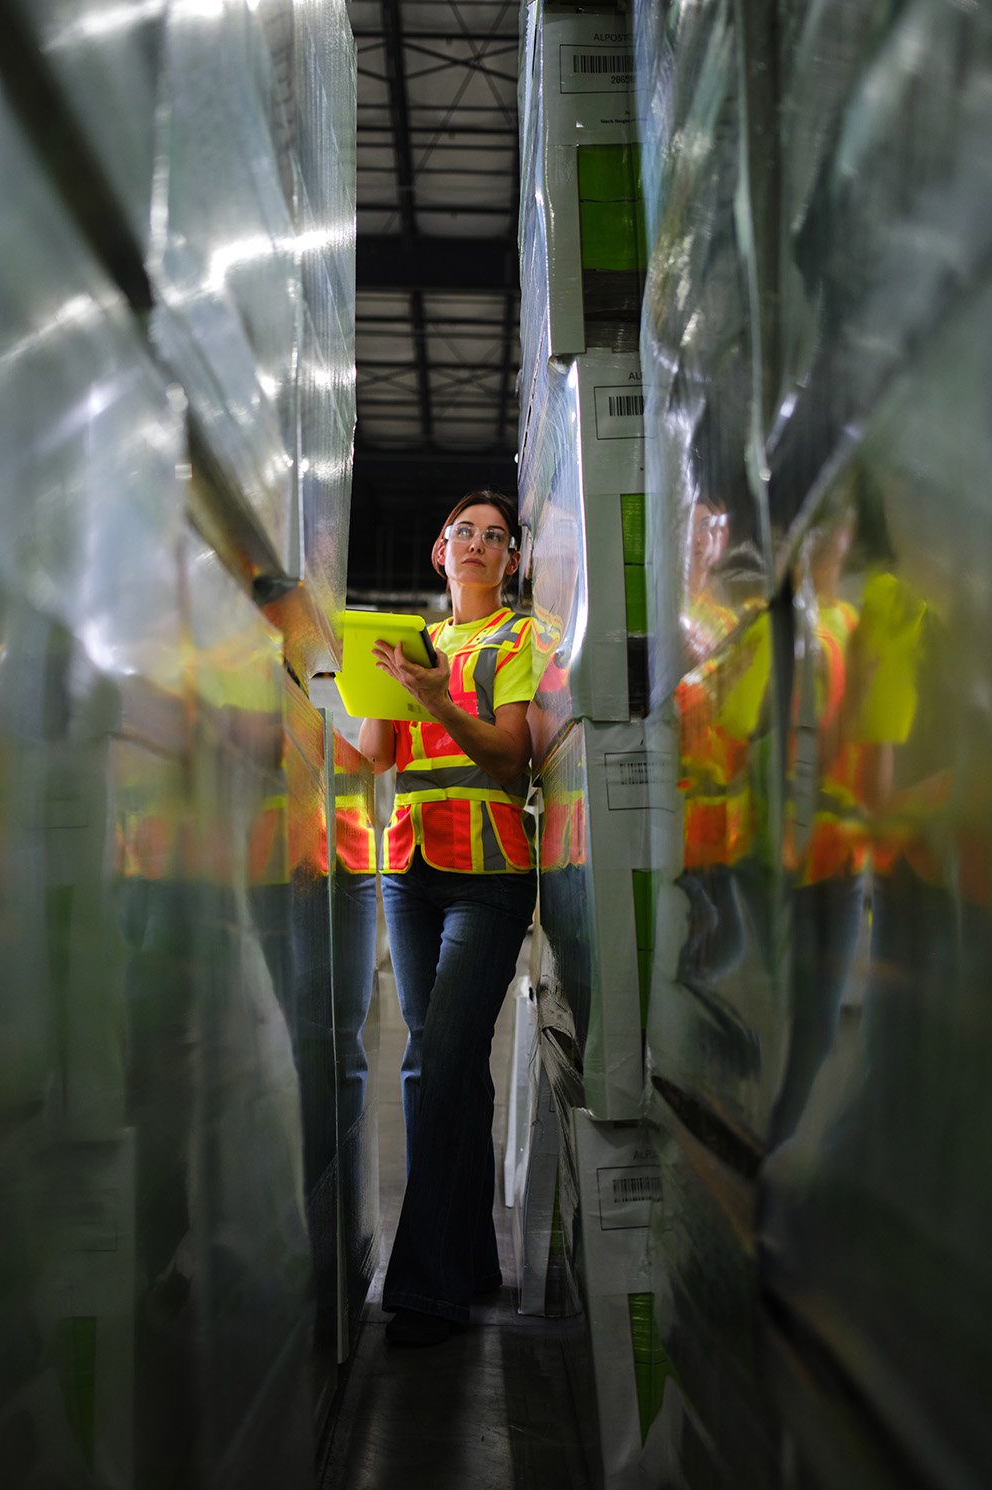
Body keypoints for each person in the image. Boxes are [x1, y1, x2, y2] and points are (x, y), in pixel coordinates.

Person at [357, 488, 537, 1346]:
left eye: (494, 537)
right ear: (438, 551)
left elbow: (511, 757)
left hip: (490, 878)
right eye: (463, 531)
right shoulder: (403, 646)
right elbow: (368, 757)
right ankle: (470, 1262)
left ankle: (424, 1286)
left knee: (438, 1061)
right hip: (410, 871)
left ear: (511, 561)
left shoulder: (519, 639)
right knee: (448, 1071)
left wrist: (433, 697)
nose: (476, 543)